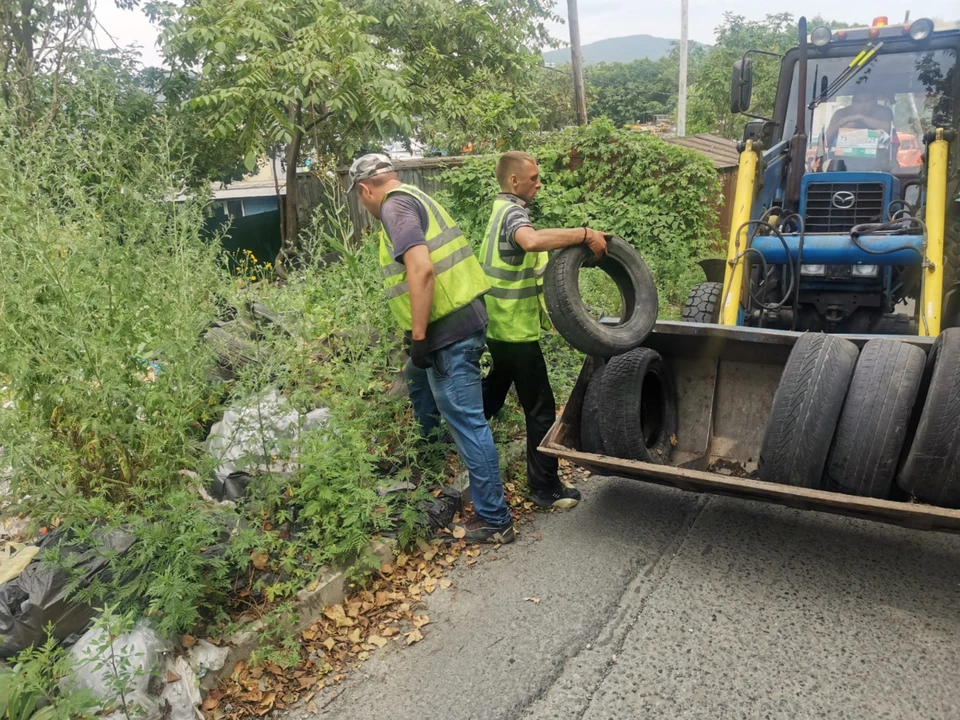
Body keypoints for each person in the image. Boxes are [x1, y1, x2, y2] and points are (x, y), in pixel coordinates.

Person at [347, 153, 514, 544]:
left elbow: (421, 269)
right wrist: (415, 345)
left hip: (447, 334)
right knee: (415, 377)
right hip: (461, 320)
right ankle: (431, 449)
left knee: (468, 421)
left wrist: (420, 338)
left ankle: (495, 519)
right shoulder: (412, 195)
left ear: (364, 189)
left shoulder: (395, 207)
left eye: (360, 198)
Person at [480, 150, 608, 509]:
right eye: (533, 178)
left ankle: (456, 434)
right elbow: (531, 241)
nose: (539, 183)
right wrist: (583, 233)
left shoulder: (499, 209)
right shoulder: (514, 213)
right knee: (540, 409)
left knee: (494, 388)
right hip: (514, 329)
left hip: (500, 323)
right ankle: (544, 487)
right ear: (514, 182)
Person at [825, 88, 899, 170]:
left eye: (867, 101)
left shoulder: (883, 112)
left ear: (874, 102)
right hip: (844, 165)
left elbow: (888, 128)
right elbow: (826, 139)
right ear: (853, 103)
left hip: (877, 164)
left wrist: (860, 117)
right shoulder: (841, 113)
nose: (863, 105)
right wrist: (841, 123)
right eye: (859, 101)